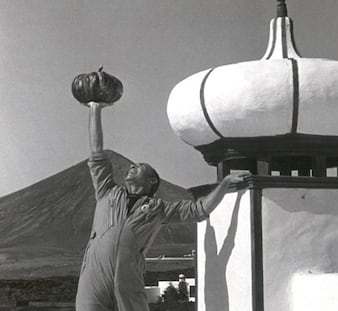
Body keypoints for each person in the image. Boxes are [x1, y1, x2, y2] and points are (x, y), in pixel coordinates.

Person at [75, 102, 250, 311]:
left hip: (128, 280)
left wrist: (225, 183)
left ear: (151, 182)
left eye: (139, 167)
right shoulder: (108, 191)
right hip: (93, 278)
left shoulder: (158, 208)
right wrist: (95, 108)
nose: (132, 166)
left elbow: (199, 210)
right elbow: (96, 152)